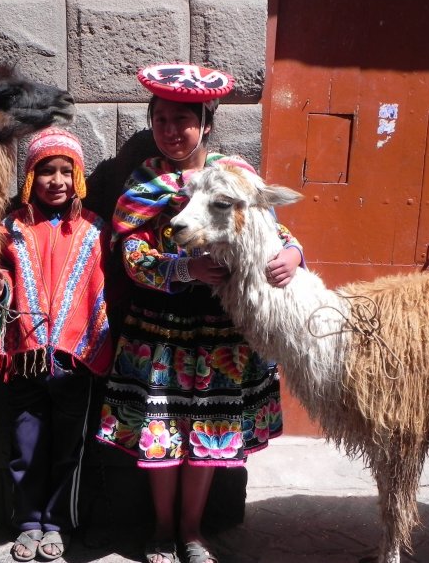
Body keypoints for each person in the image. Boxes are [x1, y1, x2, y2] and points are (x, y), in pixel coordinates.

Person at [96, 63, 305, 563]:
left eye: (182, 121)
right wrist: (182, 269)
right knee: (163, 435)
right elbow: (133, 258)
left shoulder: (234, 177)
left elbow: (267, 229)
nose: (171, 131)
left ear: (206, 125)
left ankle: (191, 532)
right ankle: (162, 530)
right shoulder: (143, 183)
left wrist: (295, 253)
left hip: (221, 335)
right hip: (159, 332)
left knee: (207, 436)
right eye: (161, 120)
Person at [0, 127, 113, 562]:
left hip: (74, 360)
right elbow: (2, 284)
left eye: (65, 171)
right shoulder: (11, 229)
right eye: (45, 171)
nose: (56, 181)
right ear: (29, 177)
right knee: (26, 447)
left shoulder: (94, 229)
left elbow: (101, 289)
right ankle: (28, 521)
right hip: (26, 358)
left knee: (69, 450)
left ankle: (58, 522)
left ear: (78, 176)